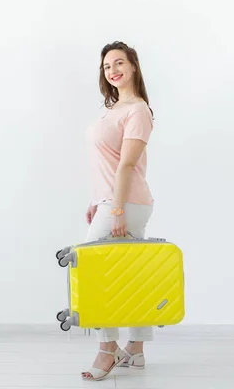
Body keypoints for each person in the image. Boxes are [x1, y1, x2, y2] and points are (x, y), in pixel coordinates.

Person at [81, 41, 155, 381]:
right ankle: (136, 351)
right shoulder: (113, 109)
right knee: (132, 277)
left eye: (120, 62)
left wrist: (117, 211)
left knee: (94, 271)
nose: (113, 70)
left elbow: (127, 166)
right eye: (107, 65)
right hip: (115, 202)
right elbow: (108, 164)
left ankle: (107, 350)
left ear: (134, 66)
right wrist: (98, 201)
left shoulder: (137, 110)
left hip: (125, 204)